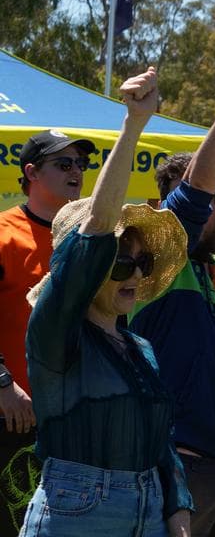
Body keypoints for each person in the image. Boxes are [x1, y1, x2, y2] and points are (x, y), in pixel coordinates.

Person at [20, 67, 194, 536]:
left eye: (141, 263)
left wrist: (178, 512)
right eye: (120, 263)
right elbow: (94, 236)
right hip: (77, 513)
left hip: (151, 513)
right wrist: (134, 125)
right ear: (90, 272)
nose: (136, 273)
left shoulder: (141, 347)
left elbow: (161, 443)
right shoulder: (57, 333)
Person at [127, 74, 215, 537]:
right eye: (201, 198)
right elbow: (191, 199)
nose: (209, 207)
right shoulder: (157, 263)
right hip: (183, 463)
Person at [1, 130, 96, 536]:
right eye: (64, 163)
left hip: (78, 418)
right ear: (31, 173)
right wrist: (2, 383)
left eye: (80, 164)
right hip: (15, 418)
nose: (76, 171)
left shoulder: (88, 239)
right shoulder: (4, 233)